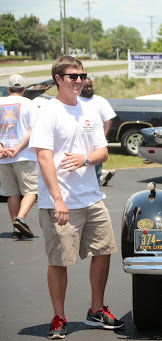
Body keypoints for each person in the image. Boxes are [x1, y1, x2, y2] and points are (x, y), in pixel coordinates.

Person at [28, 56, 124, 339]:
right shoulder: (48, 112)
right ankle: (59, 318)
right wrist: (58, 199)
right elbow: (44, 157)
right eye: (73, 76)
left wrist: (84, 159)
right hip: (60, 200)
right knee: (59, 261)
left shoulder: (89, 110)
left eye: (82, 76)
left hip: (91, 197)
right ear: (58, 79)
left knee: (104, 251)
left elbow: (102, 152)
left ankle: (96, 311)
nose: (80, 81)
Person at [0, 74, 38, 239]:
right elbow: (33, 130)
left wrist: (1, 147)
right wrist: (17, 148)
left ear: (8, 89)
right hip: (24, 156)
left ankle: (16, 228)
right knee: (32, 190)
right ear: (24, 89)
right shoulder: (30, 104)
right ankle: (20, 219)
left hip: (3, 157)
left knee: (12, 193)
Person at [78, 77, 116, 186]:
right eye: (87, 87)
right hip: (80, 144)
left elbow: (108, 120)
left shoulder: (100, 101)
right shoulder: (75, 101)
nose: (90, 89)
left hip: (96, 144)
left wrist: (103, 139)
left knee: (95, 174)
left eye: (91, 86)